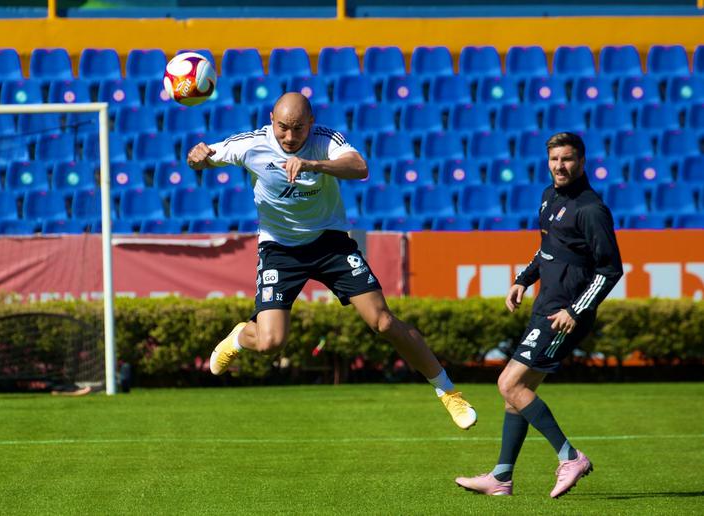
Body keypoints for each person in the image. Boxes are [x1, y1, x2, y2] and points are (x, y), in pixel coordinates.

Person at [186, 92, 476, 430]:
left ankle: (448, 392)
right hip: (280, 248)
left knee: (382, 322)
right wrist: (198, 157)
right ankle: (239, 338)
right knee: (269, 342)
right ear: (271, 120)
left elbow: (360, 167)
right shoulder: (251, 144)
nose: (290, 137)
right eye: (282, 128)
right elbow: (202, 160)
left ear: (311, 122)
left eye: (298, 129)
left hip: (330, 242)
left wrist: (313, 165)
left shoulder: (326, 141)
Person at [455, 132, 623, 497]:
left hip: (564, 315)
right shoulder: (549, 198)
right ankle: (501, 478)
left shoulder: (591, 210)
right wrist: (523, 279)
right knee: (516, 392)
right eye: (554, 160)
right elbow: (548, 248)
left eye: (567, 159)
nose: (559, 166)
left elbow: (610, 270)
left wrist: (575, 311)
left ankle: (570, 456)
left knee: (509, 384)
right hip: (545, 307)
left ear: (581, 161)